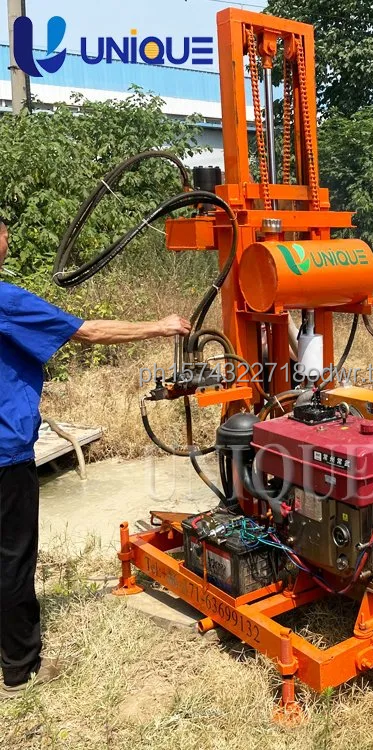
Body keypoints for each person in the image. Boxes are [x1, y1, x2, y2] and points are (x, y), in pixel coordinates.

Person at [0, 215, 190, 699]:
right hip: (5, 456)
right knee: (12, 559)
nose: (7, 241)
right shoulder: (5, 300)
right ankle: (20, 668)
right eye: (3, 235)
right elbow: (87, 332)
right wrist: (160, 326)